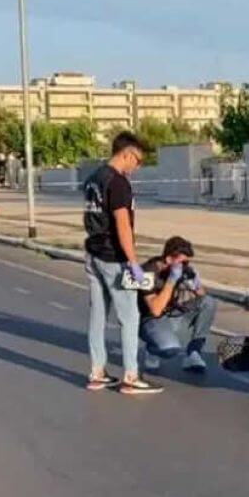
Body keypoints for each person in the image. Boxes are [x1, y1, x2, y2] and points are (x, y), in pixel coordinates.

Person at [82, 132, 162, 395]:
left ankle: (97, 372)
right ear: (126, 154)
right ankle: (131, 375)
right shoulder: (118, 183)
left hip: (92, 254)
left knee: (98, 316)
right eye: (137, 160)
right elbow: (122, 225)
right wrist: (133, 263)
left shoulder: (94, 178)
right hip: (113, 258)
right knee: (130, 317)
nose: (136, 167)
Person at [139, 236, 217, 372]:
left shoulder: (183, 270)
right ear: (169, 259)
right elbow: (156, 310)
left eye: (187, 263)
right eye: (182, 263)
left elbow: (202, 295)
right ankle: (152, 349)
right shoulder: (146, 272)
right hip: (151, 319)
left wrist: (196, 284)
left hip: (173, 312)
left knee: (208, 302)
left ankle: (194, 352)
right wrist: (172, 280)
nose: (185, 266)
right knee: (170, 349)